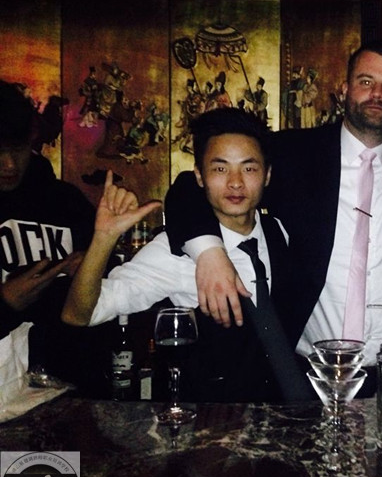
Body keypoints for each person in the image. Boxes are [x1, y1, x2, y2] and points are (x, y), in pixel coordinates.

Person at [164, 39, 382, 367]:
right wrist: (209, 254)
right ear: (344, 89)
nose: (377, 94)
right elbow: (190, 186)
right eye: (366, 82)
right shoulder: (293, 153)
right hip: (307, 369)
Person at [61, 107, 310, 402]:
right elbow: (79, 315)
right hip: (210, 420)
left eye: (249, 168)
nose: (235, 182)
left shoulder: (280, 231)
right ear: (199, 177)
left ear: (266, 175)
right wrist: (103, 239)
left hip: (284, 415)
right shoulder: (173, 251)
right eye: (220, 169)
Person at [0, 79, 106, 388]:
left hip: (70, 385)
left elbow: (109, 289)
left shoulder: (65, 201)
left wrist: (91, 267)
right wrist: (4, 305)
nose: (9, 164)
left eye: (18, 149)